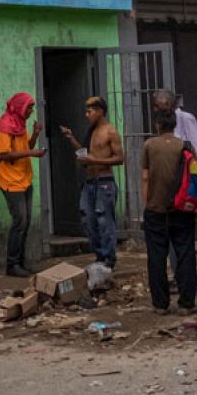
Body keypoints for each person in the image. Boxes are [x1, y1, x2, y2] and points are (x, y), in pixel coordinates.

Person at [140, 110, 197, 314]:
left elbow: (145, 178)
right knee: (185, 254)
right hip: (182, 209)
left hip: (156, 209)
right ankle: (186, 302)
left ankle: (160, 304)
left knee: (156, 257)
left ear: (157, 125)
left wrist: (147, 205)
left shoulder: (149, 146)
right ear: (174, 125)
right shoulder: (185, 146)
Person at [61, 96, 122, 270]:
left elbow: (120, 158)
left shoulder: (110, 131)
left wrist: (95, 160)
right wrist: (71, 138)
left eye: (90, 111)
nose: (87, 114)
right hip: (89, 182)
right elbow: (85, 154)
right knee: (88, 218)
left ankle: (109, 258)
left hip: (104, 181)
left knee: (104, 220)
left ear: (101, 111)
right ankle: (100, 255)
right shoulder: (92, 131)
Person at [0, 92, 45, 277]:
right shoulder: (5, 126)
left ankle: (21, 263)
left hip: (24, 180)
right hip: (11, 181)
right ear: (20, 107)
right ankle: (12, 264)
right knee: (20, 221)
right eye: (29, 108)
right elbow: (5, 155)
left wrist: (35, 134)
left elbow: (25, 147)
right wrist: (32, 154)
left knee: (26, 222)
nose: (31, 111)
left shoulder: (20, 124)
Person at [151, 89, 197, 166]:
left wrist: (196, 169)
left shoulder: (186, 118)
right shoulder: (162, 120)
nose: (155, 109)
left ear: (167, 104)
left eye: (157, 106)